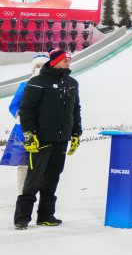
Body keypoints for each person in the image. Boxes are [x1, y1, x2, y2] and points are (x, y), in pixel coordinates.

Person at [14, 49, 82, 230]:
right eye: (64, 61)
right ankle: (21, 218)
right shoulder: (37, 82)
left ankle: (46, 215)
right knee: (34, 179)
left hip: (61, 139)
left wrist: (76, 133)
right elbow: (26, 108)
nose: (68, 63)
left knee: (52, 179)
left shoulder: (72, 83)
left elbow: (75, 110)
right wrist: (29, 133)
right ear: (54, 62)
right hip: (41, 138)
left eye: (69, 60)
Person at [1, 54, 50, 195]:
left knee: (40, 164)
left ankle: (38, 193)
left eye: (42, 66)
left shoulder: (51, 86)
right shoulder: (24, 85)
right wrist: (20, 115)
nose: (39, 69)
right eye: (37, 66)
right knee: (23, 164)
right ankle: (23, 195)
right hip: (23, 130)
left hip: (43, 130)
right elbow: (13, 105)